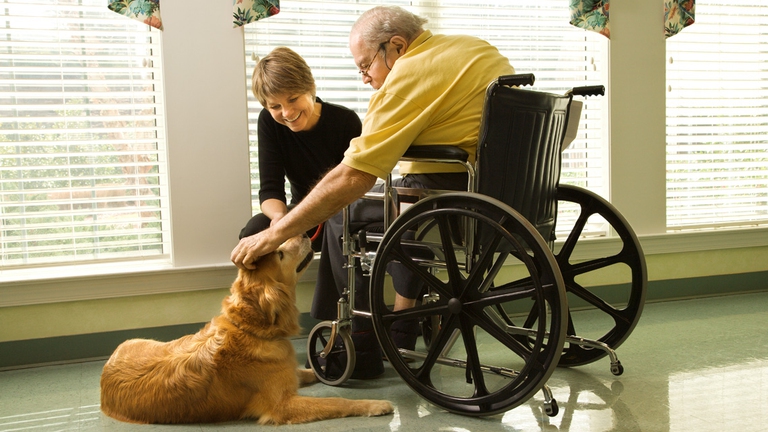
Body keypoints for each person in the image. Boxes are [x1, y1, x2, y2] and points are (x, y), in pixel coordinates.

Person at [232, 6, 515, 379]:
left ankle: (360, 342)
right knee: (363, 210)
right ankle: (394, 325)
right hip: (500, 198)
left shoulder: (408, 77)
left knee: (340, 216)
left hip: (445, 199)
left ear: (395, 47)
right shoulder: (476, 49)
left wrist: (278, 233)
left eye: (366, 65)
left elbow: (351, 179)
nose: (365, 78)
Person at [238, 47, 362, 250]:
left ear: (311, 87)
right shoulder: (269, 122)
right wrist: (280, 219)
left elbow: (351, 187)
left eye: (293, 99)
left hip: (342, 215)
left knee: (339, 228)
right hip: (300, 216)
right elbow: (270, 190)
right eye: (275, 106)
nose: (286, 112)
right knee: (254, 230)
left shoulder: (345, 121)